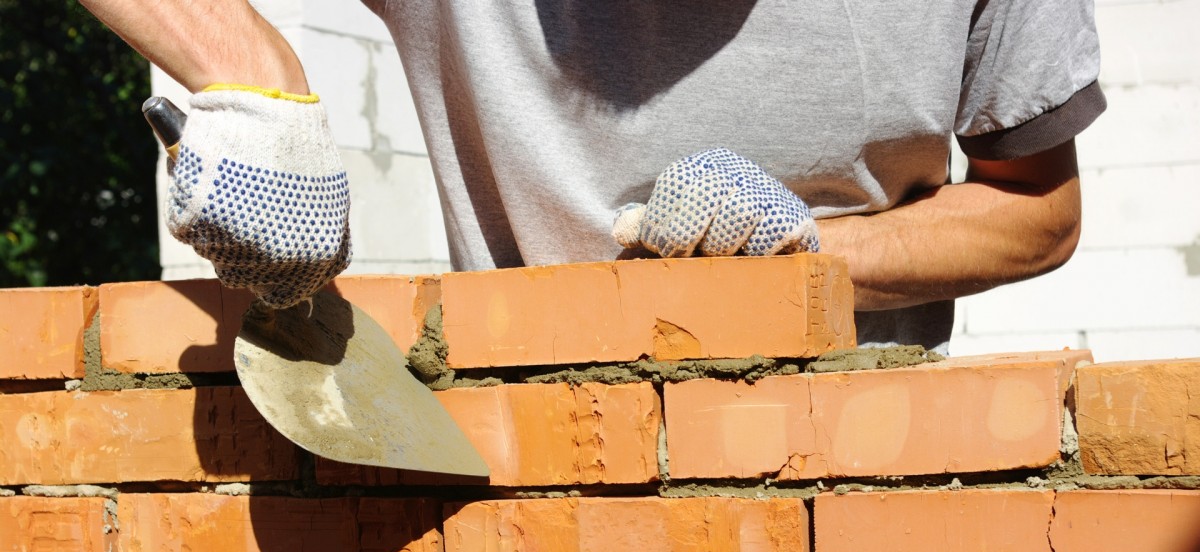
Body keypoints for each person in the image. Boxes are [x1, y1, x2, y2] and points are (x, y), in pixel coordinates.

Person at [80, 1, 1105, 354]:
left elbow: (1037, 208)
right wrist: (250, 73)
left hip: (856, 486)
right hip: (532, 495)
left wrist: (812, 256)